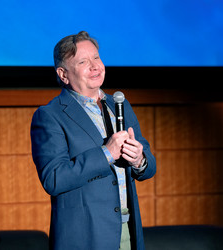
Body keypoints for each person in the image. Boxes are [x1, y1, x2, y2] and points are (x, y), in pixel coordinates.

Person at [30, 31, 156, 250]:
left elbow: (150, 166)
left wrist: (139, 160)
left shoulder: (120, 105)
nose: (95, 66)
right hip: (85, 239)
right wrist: (106, 153)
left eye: (96, 58)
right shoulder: (50, 116)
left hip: (128, 232)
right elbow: (54, 179)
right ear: (64, 74)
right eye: (83, 61)